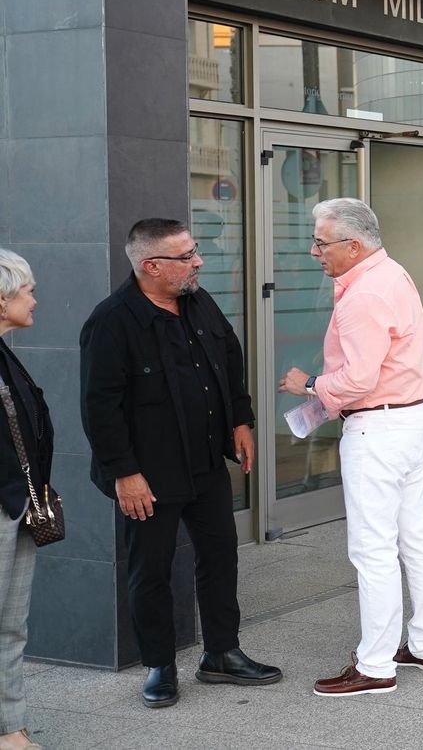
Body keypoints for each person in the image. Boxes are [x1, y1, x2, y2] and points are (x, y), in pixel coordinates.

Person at [80, 220, 281, 708]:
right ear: (151, 266)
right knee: (151, 569)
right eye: (187, 255)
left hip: (207, 462)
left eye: (194, 252)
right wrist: (124, 473)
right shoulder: (112, 322)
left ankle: (221, 654)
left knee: (220, 555)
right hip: (148, 475)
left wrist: (241, 421)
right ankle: (160, 666)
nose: (198, 262)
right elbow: (98, 407)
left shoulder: (198, 302)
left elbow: (228, 360)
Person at [277, 199, 423, 698]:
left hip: (379, 430)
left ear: (354, 245)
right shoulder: (392, 273)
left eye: (322, 243)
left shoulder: (362, 295)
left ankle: (376, 665)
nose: (314, 251)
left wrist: (309, 383)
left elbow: (359, 379)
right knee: (416, 537)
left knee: (373, 550)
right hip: (411, 418)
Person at [0, 250, 49, 749]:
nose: (35, 299)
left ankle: (9, 729)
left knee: (10, 626)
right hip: (5, 504)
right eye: (28, 290)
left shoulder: (5, 351)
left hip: (17, 505)